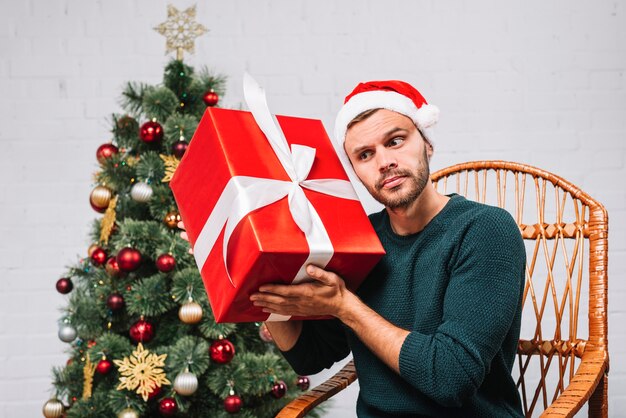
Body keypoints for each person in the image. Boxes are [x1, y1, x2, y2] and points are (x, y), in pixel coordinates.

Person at [249, 80, 527, 417]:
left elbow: (451, 378)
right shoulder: (358, 239)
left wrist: (346, 306)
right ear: (355, 171)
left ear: (427, 144)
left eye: (395, 141)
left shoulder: (484, 229)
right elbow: (312, 356)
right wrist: (261, 282)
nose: (384, 162)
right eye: (365, 155)